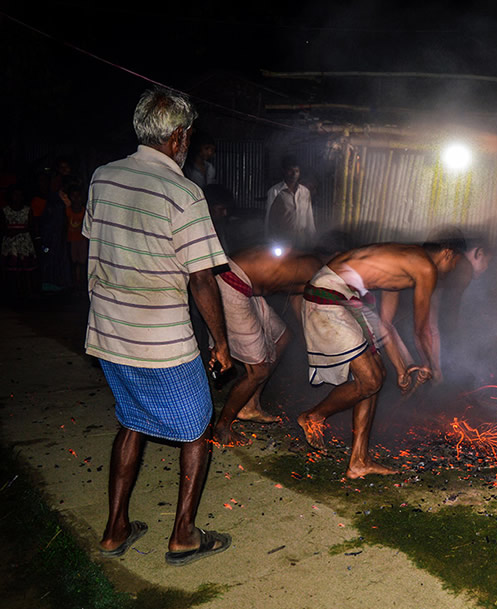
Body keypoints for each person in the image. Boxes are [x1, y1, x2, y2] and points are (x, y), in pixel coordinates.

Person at [85, 87, 233, 566]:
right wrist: (221, 341)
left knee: (131, 418)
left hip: (109, 333)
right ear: (178, 136)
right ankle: (184, 534)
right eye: (188, 135)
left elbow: (98, 243)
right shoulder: (184, 192)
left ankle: (115, 530)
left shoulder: (102, 178)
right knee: (196, 429)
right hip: (162, 341)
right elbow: (202, 279)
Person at [296, 240, 464, 477]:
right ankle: (314, 416)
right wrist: (431, 365)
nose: (453, 272)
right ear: (448, 253)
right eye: (456, 263)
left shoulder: (401, 264)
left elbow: (384, 325)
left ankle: (358, 461)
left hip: (345, 297)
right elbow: (422, 328)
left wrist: (401, 369)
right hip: (330, 292)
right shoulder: (425, 266)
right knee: (370, 380)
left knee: (376, 377)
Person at [213, 245, 324, 446]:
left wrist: (306, 337)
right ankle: (222, 426)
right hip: (231, 283)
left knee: (282, 336)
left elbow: (296, 296)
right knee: (258, 372)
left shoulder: (310, 265)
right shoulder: (317, 270)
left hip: (248, 288)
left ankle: (250, 404)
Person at [380, 233, 491, 384]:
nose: (454, 268)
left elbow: (430, 325)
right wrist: (418, 366)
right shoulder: (459, 268)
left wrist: (432, 367)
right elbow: (389, 324)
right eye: (455, 262)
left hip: (389, 324)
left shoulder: (433, 276)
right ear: (447, 254)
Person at [264, 155, 316, 250]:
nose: (294, 174)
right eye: (290, 171)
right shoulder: (275, 191)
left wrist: (312, 238)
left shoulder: (305, 192)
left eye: (296, 171)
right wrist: (269, 240)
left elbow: (309, 217)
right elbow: (269, 219)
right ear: (284, 171)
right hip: (283, 239)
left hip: (302, 239)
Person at [1, 183, 38, 298]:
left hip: (24, 243)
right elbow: (3, 227)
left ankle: (27, 293)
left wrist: (19, 231)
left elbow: (31, 227)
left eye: (19, 195)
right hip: (10, 244)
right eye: (15, 195)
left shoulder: (27, 210)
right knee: (12, 270)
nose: (17, 198)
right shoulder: (5, 210)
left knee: (26, 270)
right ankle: (12, 293)